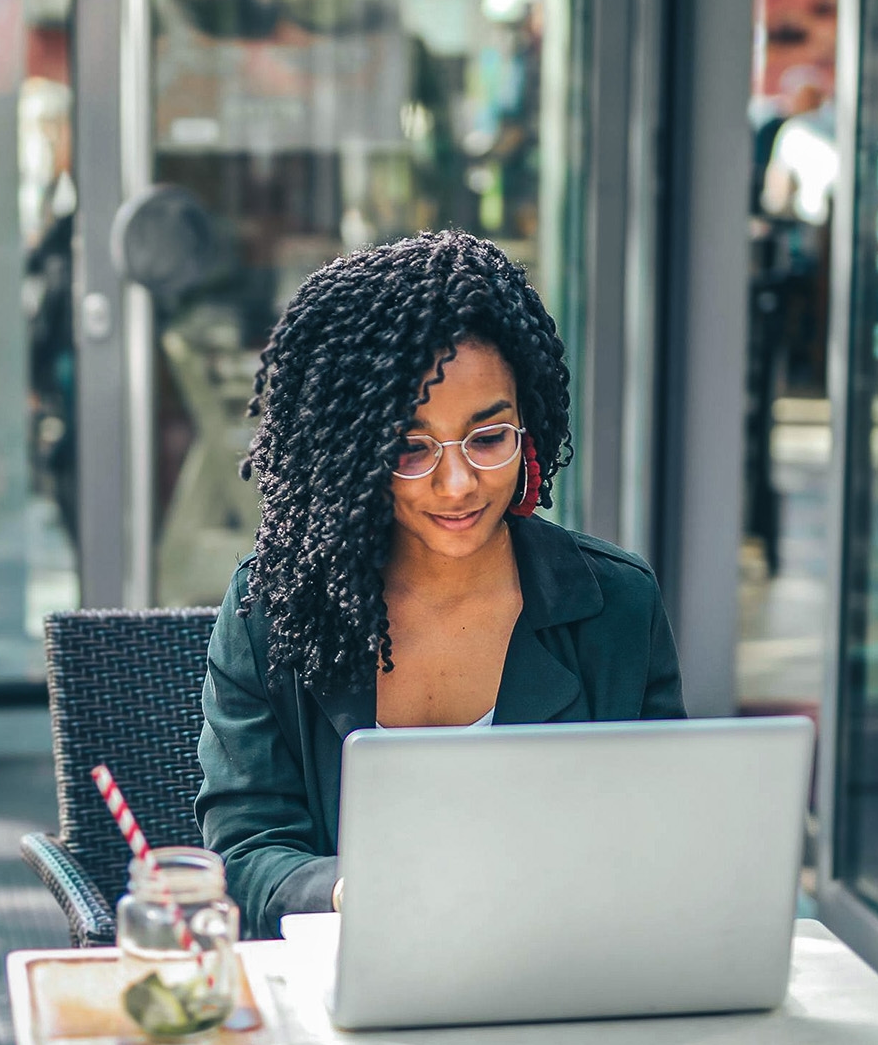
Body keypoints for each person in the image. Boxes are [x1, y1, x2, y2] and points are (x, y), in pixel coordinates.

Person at [195, 231, 687, 938]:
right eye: (410, 448)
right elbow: (244, 854)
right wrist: (346, 889)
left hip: (567, 975)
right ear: (354, 454)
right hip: (352, 990)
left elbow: (663, 840)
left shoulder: (615, 606)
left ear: (531, 428)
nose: (457, 486)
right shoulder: (272, 609)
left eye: (489, 439)